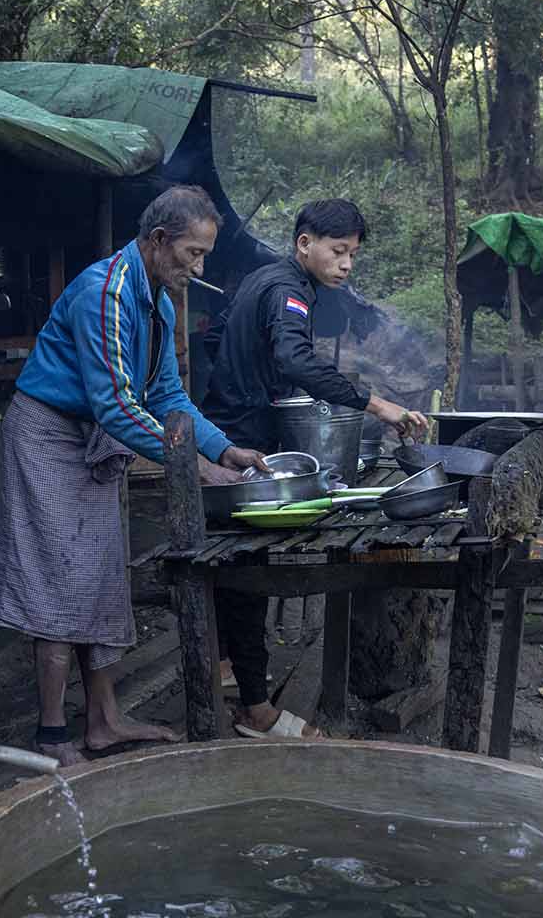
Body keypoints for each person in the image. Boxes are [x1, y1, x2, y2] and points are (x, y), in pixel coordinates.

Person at [0, 184, 266, 767]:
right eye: (194, 253)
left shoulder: (159, 302)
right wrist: (194, 468)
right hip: (47, 437)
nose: (201, 265)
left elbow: (167, 394)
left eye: (206, 255)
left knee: (99, 573)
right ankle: (53, 734)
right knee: (57, 581)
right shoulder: (105, 293)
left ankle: (105, 720)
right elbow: (116, 405)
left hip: (90, 439)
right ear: (159, 241)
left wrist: (224, 449)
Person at [201, 198, 429, 739]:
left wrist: (255, 385)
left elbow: (217, 338)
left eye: (353, 254)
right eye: (338, 251)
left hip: (227, 427)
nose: (347, 264)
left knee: (233, 565)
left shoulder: (264, 279)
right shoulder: (287, 290)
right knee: (248, 570)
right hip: (243, 442)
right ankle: (255, 709)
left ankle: (230, 665)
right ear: (305, 244)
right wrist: (378, 405)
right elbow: (296, 359)